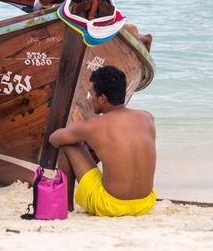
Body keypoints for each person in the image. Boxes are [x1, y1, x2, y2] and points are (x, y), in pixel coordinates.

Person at [49, 65, 157, 217]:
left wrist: (80, 133)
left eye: (90, 94)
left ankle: (66, 207)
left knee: (68, 142)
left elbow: (54, 139)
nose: (88, 99)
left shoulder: (93, 126)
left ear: (102, 98)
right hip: (145, 203)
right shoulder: (147, 117)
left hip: (110, 205)